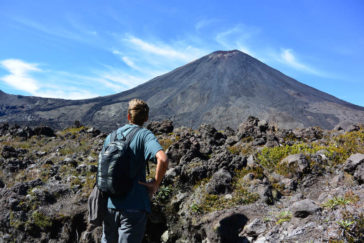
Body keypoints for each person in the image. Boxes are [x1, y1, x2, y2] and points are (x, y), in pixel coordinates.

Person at [101, 98, 169, 243]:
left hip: (109, 206)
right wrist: (155, 184)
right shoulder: (145, 135)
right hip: (134, 206)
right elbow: (162, 159)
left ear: (128, 116)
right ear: (146, 118)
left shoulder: (111, 137)